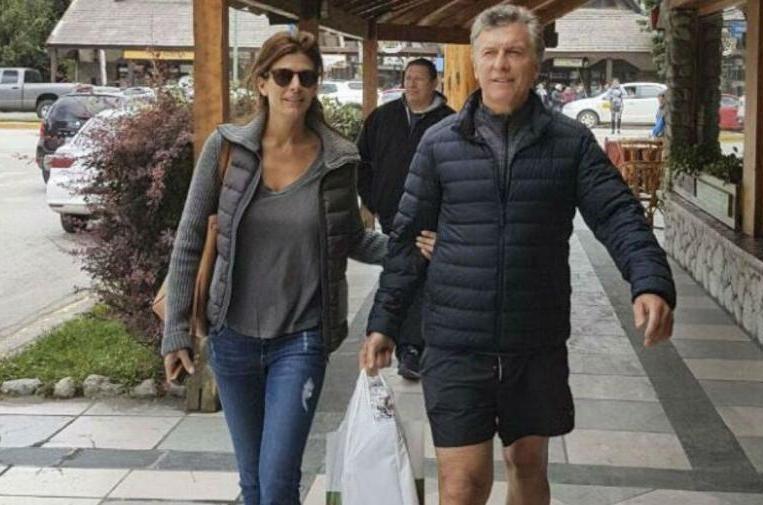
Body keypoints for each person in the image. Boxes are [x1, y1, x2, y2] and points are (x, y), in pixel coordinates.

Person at [360, 6, 675, 505]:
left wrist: (649, 279)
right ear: (475, 62)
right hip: (456, 342)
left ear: (535, 63)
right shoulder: (440, 144)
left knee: (526, 465)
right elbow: (406, 241)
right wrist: (385, 322)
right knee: (463, 485)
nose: (501, 64)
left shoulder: (570, 143)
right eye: (490, 53)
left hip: (534, 340)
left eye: (514, 52)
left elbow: (617, 212)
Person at [160, 31, 433, 505]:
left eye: (306, 77)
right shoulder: (226, 148)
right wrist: (175, 330)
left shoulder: (337, 160)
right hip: (231, 336)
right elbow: (189, 239)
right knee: (253, 482)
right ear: (261, 82)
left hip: (301, 339)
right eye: (283, 75)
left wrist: (410, 249)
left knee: (279, 481)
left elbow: (352, 238)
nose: (295, 87)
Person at [357, 58, 455, 380]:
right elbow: (362, 162)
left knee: (423, 277)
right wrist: (370, 201)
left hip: (432, 220)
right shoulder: (383, 117)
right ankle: (409, 345)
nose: (411, 84)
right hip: (392, 214)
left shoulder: (450, 123)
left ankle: (413, 347)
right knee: (402, 274)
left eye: (419, 79)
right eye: (408, 78)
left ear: (435, 83)